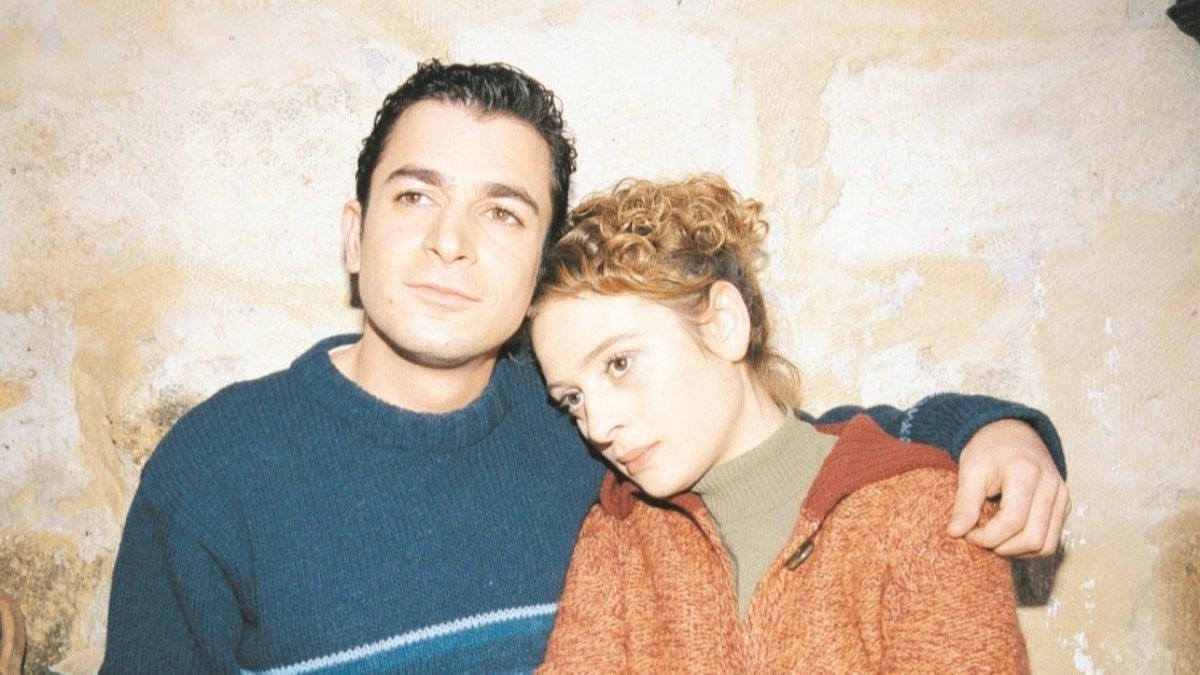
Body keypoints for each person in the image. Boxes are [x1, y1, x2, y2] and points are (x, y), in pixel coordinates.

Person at [102, 61, 1066, 673]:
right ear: (354, 234)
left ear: (540, 266)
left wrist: (989, 429)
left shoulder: (581, 431)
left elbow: (792, 445)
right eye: (414, 196)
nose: (449, 241)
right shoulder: (214, 473)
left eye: (502, 212)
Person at [533, 174, 1030, 672]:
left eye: (620, 363)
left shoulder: (927, 517)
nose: (597, 426)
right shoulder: (617, 539)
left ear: (723, 325)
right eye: (573, 398)